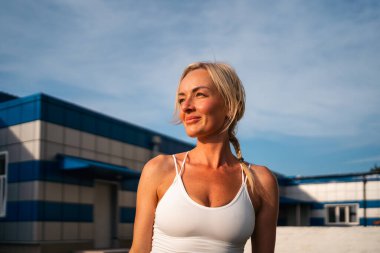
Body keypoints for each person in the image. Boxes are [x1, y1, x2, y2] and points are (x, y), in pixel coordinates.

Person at [130, 62, 279, 253]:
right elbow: (139, 250)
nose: (186, 107)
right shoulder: (160, 169)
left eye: (199, 95)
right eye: (182, 99)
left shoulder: (260, 181)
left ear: (230, 105)